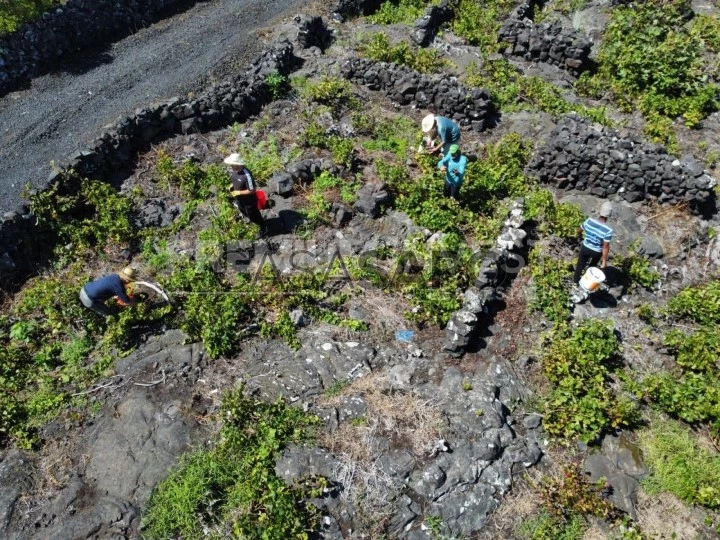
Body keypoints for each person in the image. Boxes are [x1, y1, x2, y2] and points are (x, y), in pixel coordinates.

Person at [225, 153, 268, 236]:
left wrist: (238, 192)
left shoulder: (246, 175)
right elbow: (236, 180)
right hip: (240, 199)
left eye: (232, 164)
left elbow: (252, 190)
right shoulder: (235, 171)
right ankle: (250, 220)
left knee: (254, 215)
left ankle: (263, 227)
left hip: (249, 202)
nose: (230, 165)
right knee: (242, 210)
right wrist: (232, 186)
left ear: (237, 164)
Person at [573, 201, 614, 284]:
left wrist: (580, 236)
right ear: (609, 215)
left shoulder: (589, 221)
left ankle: (576, 281)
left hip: (585, 247)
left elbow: (579, 230)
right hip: (597, 252)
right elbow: (605, 247)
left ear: (600, 211)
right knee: (592, 266)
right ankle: (587, 281)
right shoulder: (608, 230)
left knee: (580, 265)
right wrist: (604, 261)